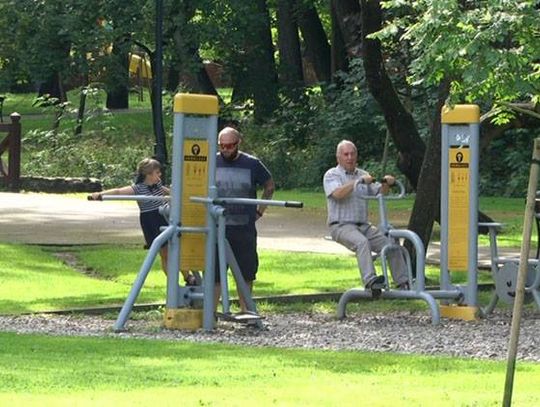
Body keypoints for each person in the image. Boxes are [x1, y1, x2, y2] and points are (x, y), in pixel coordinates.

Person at [89, 157, 196, 286]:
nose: (160, 175)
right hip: (150, 221)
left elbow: (175, 196)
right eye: (157, 172)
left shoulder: (159, 187)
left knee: (175, 250)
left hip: (163, 218)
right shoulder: (138, 188)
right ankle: (173, 284)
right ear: (148, 174)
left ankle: (188, 276)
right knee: (164, 254)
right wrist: (100, 194)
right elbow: (118, 191)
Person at [323, 140, 409, 291]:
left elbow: (379, 193)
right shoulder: (332, 175)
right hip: (341, 226)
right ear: (339, 158)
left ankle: (404, 282)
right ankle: (371, 281)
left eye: (352, 154)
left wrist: (386, 183)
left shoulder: (363, 175)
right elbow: (337, 194)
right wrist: (357, 182)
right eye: (346, 154)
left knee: (391, 243)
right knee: (362, 243)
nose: (349, 157)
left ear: (357, 156)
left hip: (364, 225)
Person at [215, 126, 275, 312]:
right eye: (222, 146)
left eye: (230, 146)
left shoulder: (252, 163)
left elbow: (269, 185)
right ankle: (210, 314)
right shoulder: (212, 161)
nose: (226, 150)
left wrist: (260, 211)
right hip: (217, 227)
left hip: (244, 227)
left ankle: (245, 311)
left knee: (246, 272)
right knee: (215, 272)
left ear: (238, 143)